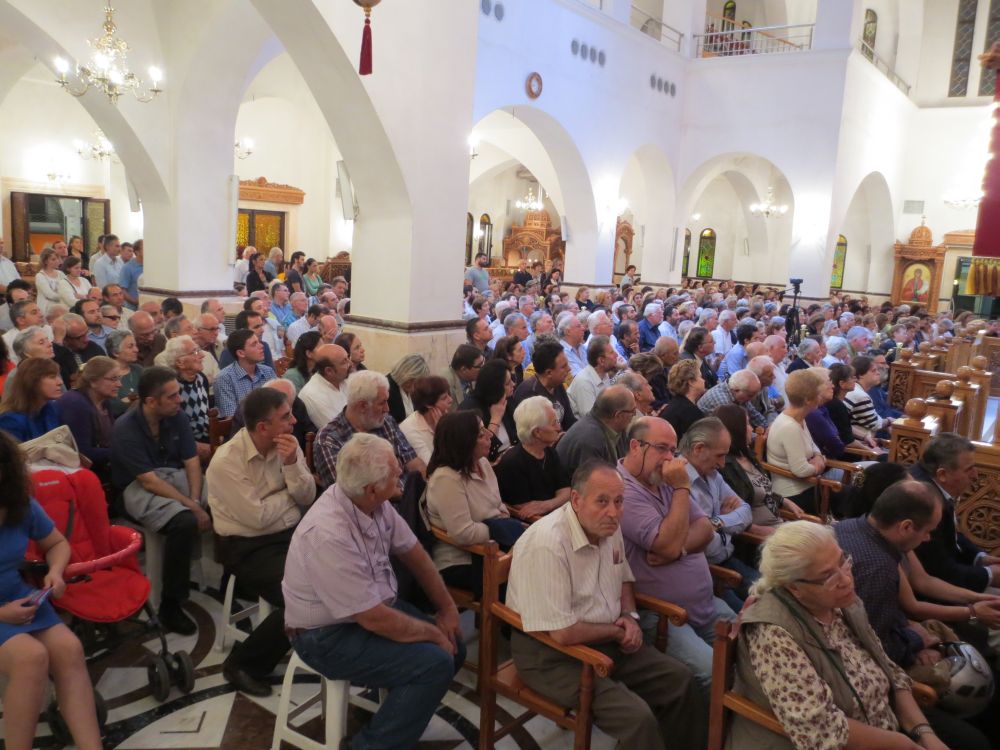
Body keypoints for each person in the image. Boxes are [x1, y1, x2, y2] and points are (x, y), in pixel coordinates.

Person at [282, 433, 466, 750]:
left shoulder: (373, 504)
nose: (401, 472)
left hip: (369, 611)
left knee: (455, 645)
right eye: (394, 471)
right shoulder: (329, 533)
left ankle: (386, 716)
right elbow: (372, 618)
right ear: (372, 489)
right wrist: (432, 634)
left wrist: (447, 609)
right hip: (323, 635)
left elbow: (416, 555)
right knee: (435, 662)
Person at [506, 460, 706, 750]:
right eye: (602, 501)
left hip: (605, 638)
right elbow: (563, 633)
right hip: (551, 654)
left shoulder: (609, 527)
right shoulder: (548, 543)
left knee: (681, 680)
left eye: (619, 501)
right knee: (638, 719)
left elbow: (623, 577)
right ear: (576, 500)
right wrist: (617, 630)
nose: (613, 511)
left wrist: (628, 614)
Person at [729, 521, 955, 750]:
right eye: (828, 577)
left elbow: (889, 670)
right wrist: (907, 745)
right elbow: (822, 730)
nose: (846, 580)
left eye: (842, 561)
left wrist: (924, 733)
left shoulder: (842, 603)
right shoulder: (773, 634)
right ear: (793, 587)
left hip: (885, 727)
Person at [207, 387, 316, 697]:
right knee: (303, 597)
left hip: (288, 534)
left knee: (339, 573)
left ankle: (321, 639)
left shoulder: (288, 446)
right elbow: (257, 518)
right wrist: (289, 499)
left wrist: (292, 463)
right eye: (285, 417)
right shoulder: (227, 461)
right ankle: (243, 664)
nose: (294, 421)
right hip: (247, 547)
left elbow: (307, 496)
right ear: (263, 427)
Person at [618, 416, 737, 693]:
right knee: (715, 673)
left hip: (705, 603)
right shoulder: (623, 490)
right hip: (665, 615)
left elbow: (705, 528)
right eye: (662, 448)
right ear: (635, 446)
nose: (670, 458)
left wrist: (678, 550)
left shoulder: (662, 478)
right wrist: (682, 488)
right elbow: (667, 544)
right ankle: (714, 721)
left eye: (673, 450)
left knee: (751, 645)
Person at [0, 431, 103, 750]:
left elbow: (57, 543)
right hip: (4, 609)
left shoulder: (18, 504)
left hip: (17, 597)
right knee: (30, 658)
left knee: (69, 649)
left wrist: (55, 572)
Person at [111, 367, 209, 635]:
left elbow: (191, 461)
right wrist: (192, 507)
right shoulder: (126, 428)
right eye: (172, 396)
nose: (180, 400)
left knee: (222, 500)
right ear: (151, 401)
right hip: (135, 487)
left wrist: (195, 497)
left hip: (174, 478)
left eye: (179, 393)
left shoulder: (177, 417)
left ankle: (236, 575)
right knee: (184, 522)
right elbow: (148, 481)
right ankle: (170, 604)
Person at [425, 411, 520, 596]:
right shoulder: (446, 478)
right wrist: (500, 529)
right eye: (481, 434)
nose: (489, 436)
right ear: (464, 442)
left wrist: (502, 525)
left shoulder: (482, 463)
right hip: (462, 558)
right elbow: (463, 533)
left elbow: (498, 505)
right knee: (524, 576)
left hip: (494, 544)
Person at [680, 417, 761, 610]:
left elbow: (745, 512)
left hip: (729, 560)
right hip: (705, 571)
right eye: (720, 455)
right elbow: (698, 541)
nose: (723, 464)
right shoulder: (679, 482)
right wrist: (721, 522)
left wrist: (716, 522)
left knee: (777, 594)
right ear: (699, 448)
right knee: (753, 614)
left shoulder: (713, 475)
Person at [912, 433, 998, 593]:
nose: (976, 475)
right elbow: (938, 571)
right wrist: (989, 575)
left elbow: (952, 535)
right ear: (942, 474)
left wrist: (981, 558)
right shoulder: (924, 501)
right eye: (969, 469)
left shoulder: (933, 484)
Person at [313, 370, 424, 490]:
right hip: (377, 500)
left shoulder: (386, 421)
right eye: (382, 403)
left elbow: (412, 460)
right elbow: (350, 491)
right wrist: (405, 493)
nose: (387, 409)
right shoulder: (329, 439)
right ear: (362, 406)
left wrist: (425, 488)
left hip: (409, 493)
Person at [715, 404, 805, 527]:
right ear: (736, 429)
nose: (751, 428)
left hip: (778, 523)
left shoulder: (747, 455)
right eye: (747, 424)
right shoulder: (726, 467)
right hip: (762, 532)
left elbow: (763, 490)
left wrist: (783, 501)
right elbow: (737, 514)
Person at [494, 396, 570, 519]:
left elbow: (566, 491)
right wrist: (556, 502)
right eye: (554, 423)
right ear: (537, 432)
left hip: (557, 516)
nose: (559, 427)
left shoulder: (550, 452)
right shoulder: (512, 464)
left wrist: (547, 505)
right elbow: (526, 512)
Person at [767, 369, 828, 515]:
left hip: (809, 486)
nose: (820, 397)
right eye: (818, 394)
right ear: (807, 400)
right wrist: (819, 465)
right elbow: (801, 471)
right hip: (794, 495)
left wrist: (819, 457)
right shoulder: (790, 427)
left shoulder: (799, 417)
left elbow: (814, 447)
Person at [56, 356, 118, 478]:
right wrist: (124, 452)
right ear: (93, 381)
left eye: (119, 378)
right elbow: (83, 453)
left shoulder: (104, 400)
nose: (119, 384)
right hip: (82, 473)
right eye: (113, 379)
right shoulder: (75, 404)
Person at [556, 385, 635, 468]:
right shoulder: (590, 441)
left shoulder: (616, 429)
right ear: (618, 415)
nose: (634, 415)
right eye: (633, 411)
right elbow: (595, 476)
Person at [161, 336, 212, 460]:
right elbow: (169, 429)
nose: (202, 355)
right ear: (180, 363)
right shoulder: (171, 387)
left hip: (207, 438)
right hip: (182, 445)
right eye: (195, 352)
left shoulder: (201, 378)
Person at [510, 340, 576, 432]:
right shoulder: (529, 394)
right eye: (563, 366)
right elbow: (534, 435)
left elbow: (569, 421)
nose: (569, 369)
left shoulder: (557, 384)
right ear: (549, 373)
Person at [213, 329, 277, 419]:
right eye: (254, 344)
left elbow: (279, 404)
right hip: (242, 426)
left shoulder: (268, 371)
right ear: (241, 353)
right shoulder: (224, 378)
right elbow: (231, 418)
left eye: (259, 342)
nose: (261, 346)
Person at [0, 357, 62, 441]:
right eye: (52, 377)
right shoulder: (10, 421)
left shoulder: (50, 408)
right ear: (32, 382)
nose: (60, 382)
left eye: (58, 376)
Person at [399, 375, 452, 464]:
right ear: (428, 404)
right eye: (444, 398)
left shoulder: (446, 416)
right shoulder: (410, 430)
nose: (451, 400)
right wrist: (440, 433)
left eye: (449, 395)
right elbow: (431, 465)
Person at [298, 343, 351, 428]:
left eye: (348, 358)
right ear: (329, 371)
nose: (350, 363)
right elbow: (339, 429)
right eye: (344, 362)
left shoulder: (343, 379)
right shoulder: (311, 395)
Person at [566, 334, 615, 419]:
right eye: (612, 353)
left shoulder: (604, 374)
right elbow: (591, 419)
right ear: (601, 361)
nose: (616, 355)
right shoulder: (584, 382)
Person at [661, 359, 706, 442]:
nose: (704, 380)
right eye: (700, 377)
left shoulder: (674, 404)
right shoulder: (691, 412)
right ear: (691, 382)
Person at [105, 329, 142, 416]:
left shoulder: (138, 370)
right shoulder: (105, 375)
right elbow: (113, 408)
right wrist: (137, 399)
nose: (136, 350)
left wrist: (128, 400)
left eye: (135, 345)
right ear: (115, 352)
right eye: (130, 346)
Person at [442, 344, 484, 409]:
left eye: (483, 362)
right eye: (480, 366)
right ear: (464, 369)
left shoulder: (472, 378)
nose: (483, 368)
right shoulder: (446, 384)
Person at [35, 247, 74, 314]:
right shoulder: (40, 276)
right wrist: (66, 296)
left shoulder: (60, 274)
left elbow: (68, 287)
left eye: (57, 259)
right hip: (46, 308)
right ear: (45, 261)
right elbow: (49, 294)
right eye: (53, 259)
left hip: (61, 306)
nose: (57, 261)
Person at [284, 330, 321, 394]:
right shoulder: (292, 376)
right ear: (309, 353)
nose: (325, 350)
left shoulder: (318, 371)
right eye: (321, 347)